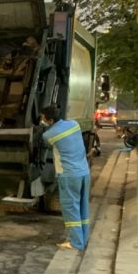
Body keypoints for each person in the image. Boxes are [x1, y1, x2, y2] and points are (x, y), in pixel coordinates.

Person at [41, 104, 91, 251]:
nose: (42, 120)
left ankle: (76, 243)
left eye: (43, 118)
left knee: (71, 208)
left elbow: (48, 145)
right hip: (84, 172)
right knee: (82, 206)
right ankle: (83, 239)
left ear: (49, 120)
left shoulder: (48, 135)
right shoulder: (74, 124)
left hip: (69, 176)